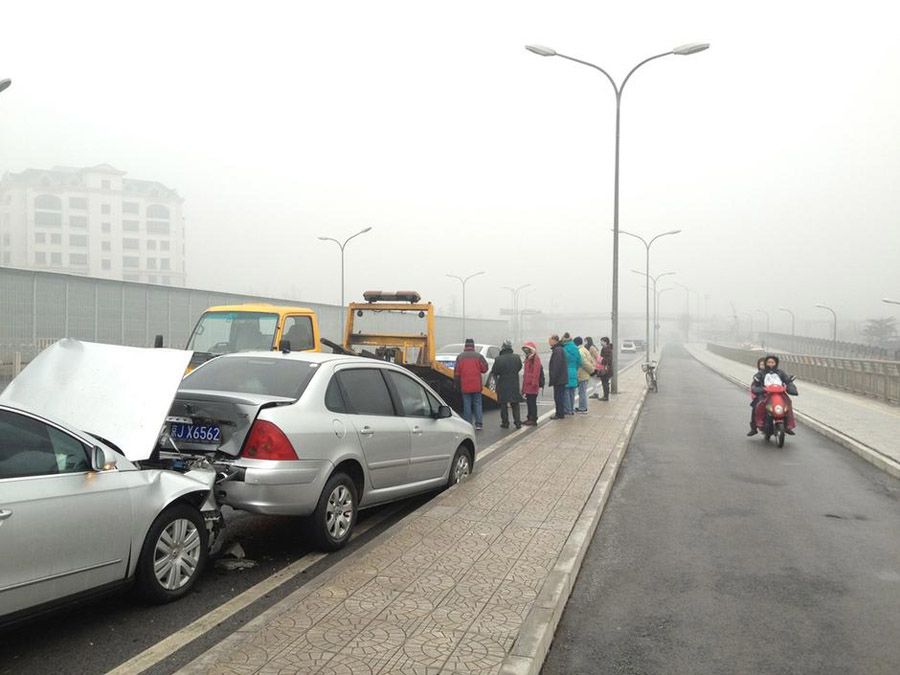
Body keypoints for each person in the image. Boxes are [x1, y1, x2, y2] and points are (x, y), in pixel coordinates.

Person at [750, 354, 798, 435]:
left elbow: (787, 381)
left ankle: (788, 425)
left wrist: (791, 388)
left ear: (776, 363)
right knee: (758, 404)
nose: (771, 364)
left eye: (772, 362)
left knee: (788, 403)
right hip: (766, 394)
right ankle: (757, 424)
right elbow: (755, 383)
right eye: (769, 362)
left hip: (780, 394)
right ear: (766, 363)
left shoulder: (781, 372)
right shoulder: (761, 373)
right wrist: (759, 389)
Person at [453, 338, 488, 430]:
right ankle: (479, 424)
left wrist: (456, 384)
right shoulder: (479, 356)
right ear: (473, 346)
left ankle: (468, 424)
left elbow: (457, 372)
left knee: (467, 405)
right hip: (477, 386)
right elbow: (485, 369)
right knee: (477, 404)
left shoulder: (460, 357)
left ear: (465, 346)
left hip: (465, 385)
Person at [491, 340, 523, 429]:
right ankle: (517, 423)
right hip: (514, 383)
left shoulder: (498, 359)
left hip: (503, 384)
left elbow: (494, 372)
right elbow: (519, 367)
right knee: (515, 404)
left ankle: (505, 423)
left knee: (503, 405)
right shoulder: (517, 357)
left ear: (503, 348)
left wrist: (496, 382)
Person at [521, 341, 544, 426]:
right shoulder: (528, 358)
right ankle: (529, 417)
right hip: (527, 384)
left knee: (532, 402)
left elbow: (536, 372)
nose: (526, 351)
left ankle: (533, 418)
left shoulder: (535, 358)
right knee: (529, 401)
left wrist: (534, 383)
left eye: (527, 349)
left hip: (532, 385)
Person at [548, 334, 568, 419]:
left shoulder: (557, 350)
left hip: (559, 379)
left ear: (554, 340)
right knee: (559, 396)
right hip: (561, 378)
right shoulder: (559, 349)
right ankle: (560, 413)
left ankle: (559, 414)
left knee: (558, 397)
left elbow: (556, 366)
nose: (549, 342)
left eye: (550, 340)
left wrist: (553, 378)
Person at [746, 357, 767, 436]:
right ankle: (753, 428)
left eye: (764, 364)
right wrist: (760, 390)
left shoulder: (773, 374)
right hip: (761, 395)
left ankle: (787, 425)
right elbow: (754, 386)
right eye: (761, 364)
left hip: (773, 394)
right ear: (758, 365)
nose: (763, 366)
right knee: (756, 407)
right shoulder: (758, 375)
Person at [574, 337, 593, 413]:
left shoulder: (580, 351)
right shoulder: (585, 350)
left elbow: (584, 363)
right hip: (585, 374)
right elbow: (591, 361)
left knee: (582, 392)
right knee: (582, 392)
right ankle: (582, 407)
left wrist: (592, 371)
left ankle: (583, 408)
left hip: (582, 374)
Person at [562, 332, 580, 415]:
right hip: (574, 371)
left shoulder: (564, 349)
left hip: (565, 372)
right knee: (572, 392)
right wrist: (575, 368)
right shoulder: (575, 348)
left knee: (566, 392)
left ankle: (567, 410)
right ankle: (572, 409)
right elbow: (580, 362)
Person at [590, 336, 613, 401]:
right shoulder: (607, 348)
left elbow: (607, 360)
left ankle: (605, 397)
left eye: (602, 341)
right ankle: (605, 396)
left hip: (605, 369)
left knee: (605, 383)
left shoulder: (606, 349)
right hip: (607, 369)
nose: (601, 342)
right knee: (605, 382)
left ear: (605, 342)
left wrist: (600, 360)